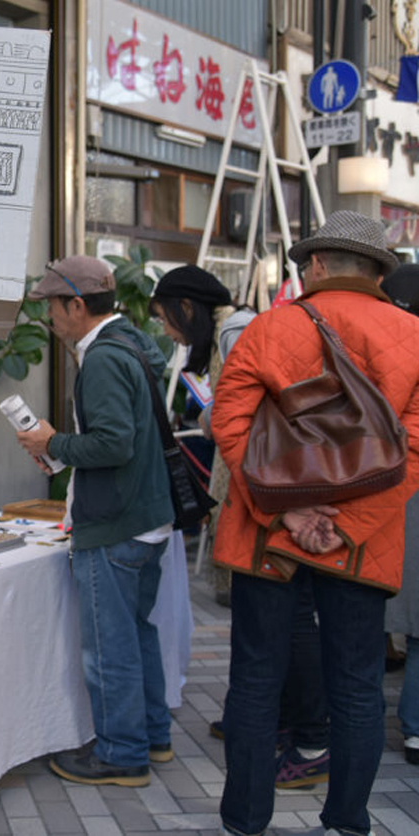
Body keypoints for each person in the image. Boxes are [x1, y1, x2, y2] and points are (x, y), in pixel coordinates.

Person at [211, 211, 419, 836]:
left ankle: (246, 822)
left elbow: (229, 424)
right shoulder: (413, 335)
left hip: (265, 533)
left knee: (254, 680)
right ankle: (348, 822)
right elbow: (414, 449)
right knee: (357, 686)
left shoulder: (272, 327)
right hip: (363, 541)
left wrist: (289, 512)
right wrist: (348, 526)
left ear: (321, 264)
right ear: (377, 271)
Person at [151, 268, 332, 788]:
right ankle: (283, 726)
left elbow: (238, 420)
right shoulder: (251, 326)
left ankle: (304, 735)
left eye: (167, 318)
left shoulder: (237, 333)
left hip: (265, 500)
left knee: (279, 624)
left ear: (188, 307)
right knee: (283, 622)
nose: (168, 331)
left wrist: (212, 423)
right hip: (279, 495)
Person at [13, 255, 175, 787]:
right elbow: (123, 436)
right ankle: (152, 736)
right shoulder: (132, 343)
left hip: (116, 523)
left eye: (53, 308)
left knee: (110, 646)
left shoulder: (103, 357)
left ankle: (123, 753)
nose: (50, 319)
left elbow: (114, 442)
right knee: (137, 633)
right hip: (146, 517)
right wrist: (60, 451)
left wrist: (51, 442)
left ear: (77, 305)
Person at [381, 263, 419, 766]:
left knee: (366, 617)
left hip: (382, 492)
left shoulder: (380, 349)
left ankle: (360, 718)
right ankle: (414, 728)